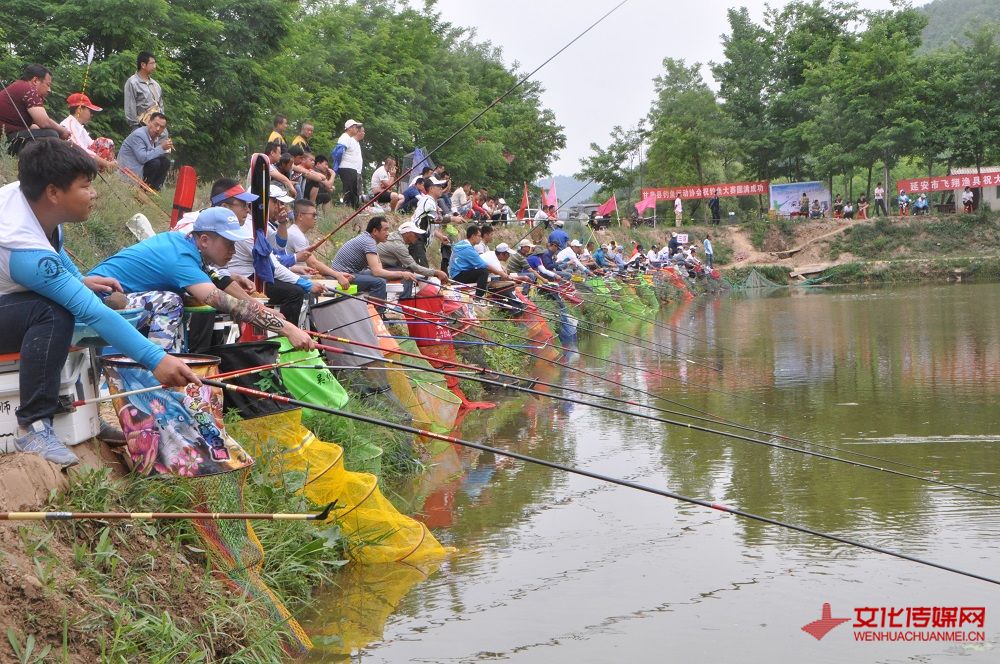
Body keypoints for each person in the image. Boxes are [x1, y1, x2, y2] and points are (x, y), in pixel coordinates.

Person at [0, 139, 198, 466]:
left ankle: (83, 411)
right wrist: (156, 360)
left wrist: (80, 280)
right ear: (54, 192)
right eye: (85, 186)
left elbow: (54, 250)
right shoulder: (25, 252)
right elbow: (90, 311)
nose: (93, 194)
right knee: (53, 313)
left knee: (77, 300)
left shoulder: (31, 204)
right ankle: (34, 426)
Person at [330, 216, 418, 312]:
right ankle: (375, 315)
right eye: (385, 230)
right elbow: (377, 272)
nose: (388, 234)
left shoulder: (369, 239)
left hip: (351, 273)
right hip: (342, 276)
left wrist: (398, 274)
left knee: (383, 278)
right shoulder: (368, 242)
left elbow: (379, 269)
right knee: (379, 283)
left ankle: (383, 306)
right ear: (375, 231)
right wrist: (402, 274)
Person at [0, 64, 70, 155]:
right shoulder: (29, 89)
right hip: (6, 142)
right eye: (48, 85)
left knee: (47, 132)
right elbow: (44, 122)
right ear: (35, 80)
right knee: (51, 135)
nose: (49, 90)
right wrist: (62, 130)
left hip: (6, 137)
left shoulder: (18, 86)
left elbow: (33, 126)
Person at [281, 199, 353, 287]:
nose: (315, 218)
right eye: (313, 215)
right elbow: (313, 263)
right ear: (300, 216)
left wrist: (337, 274)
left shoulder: (296, 232)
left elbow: (314, 263)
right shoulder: (296, 235)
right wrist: (338, 275)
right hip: (293, 281)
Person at [377, 221, 448, 298]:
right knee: (408, 274)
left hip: (382, 266)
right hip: (380, 268)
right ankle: (404, 299)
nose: (418, 237)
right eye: (416, 234)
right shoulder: (398, 246)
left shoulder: (395, 236)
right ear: (408, 233)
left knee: (408, 271)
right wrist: (436, 272)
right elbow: (414, 267)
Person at [60, 92, 117, 172]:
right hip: (69, 163)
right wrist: (106, 163)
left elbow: (91, 144)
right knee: (104, 142)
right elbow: (80, 150)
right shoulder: (68, 125)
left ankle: (104, 172)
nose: (92, 115)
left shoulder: (78, 126)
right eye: (90, 111)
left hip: (78, 160)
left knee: (107, 142)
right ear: (79, 110)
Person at [117, 111, 172, 190]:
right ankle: (145, 190)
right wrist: (161, 148)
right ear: (149, 122)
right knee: (155, 163)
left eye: (161, 127)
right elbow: (142, 158)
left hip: (140, 169)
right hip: (128, 172)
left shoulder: (153, 136)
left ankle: (154, 190)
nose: (157, 129)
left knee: (165, 162)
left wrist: (163, 149)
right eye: (156, 125)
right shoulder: (139, 135)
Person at [123, 52, 165, 131]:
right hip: (142, 128)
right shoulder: (132, 82)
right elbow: (130, 106)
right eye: (152, 63)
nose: (154, 66)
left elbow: (161, 105)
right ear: (143, 65)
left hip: (158, 128)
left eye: (155, 63)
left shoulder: (156, 84)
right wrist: (135, 127)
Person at [448, 225, 491, 297]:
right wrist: (500, 273)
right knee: (484, 272)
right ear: (473, 236)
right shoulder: (467, 248)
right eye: (479, 236)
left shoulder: (463, 243)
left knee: (482, 272)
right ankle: (479, 297)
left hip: (456, 273)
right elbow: (483, 265)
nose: (481, 238)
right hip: (457, 276)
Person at [332, 119, 363, 208]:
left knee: (353, 190)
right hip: (346, 167)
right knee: (348, 189)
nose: (357, 129)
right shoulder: (344, 137)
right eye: (355, 127)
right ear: (350, 128)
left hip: (351, 168)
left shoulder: (349, 138)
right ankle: (346, 207)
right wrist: (336, 165)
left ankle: (354, 209)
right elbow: (339, 152)